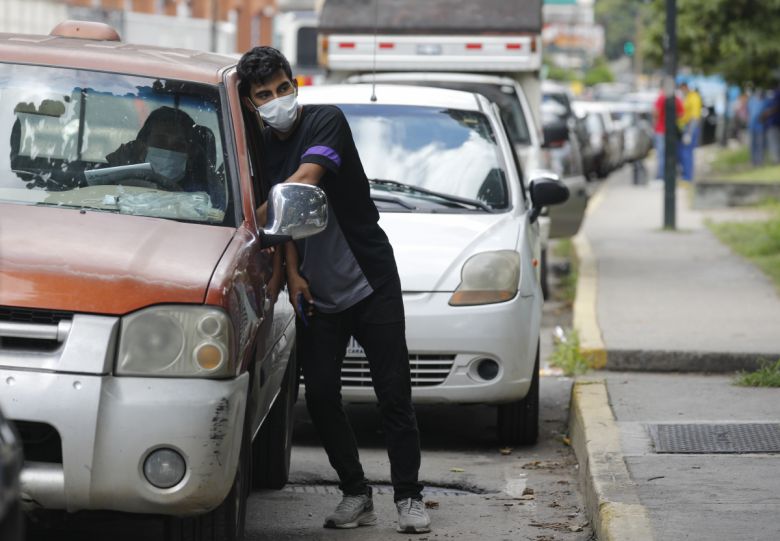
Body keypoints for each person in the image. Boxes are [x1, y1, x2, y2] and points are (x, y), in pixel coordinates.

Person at [237, 46, 431, 535]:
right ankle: (355, 493)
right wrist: (294, 272)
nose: (279, 99)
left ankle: (409, 496)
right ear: (250, 101)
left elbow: (302, 186)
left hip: (371, 281)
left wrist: (242, 226)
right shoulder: (258, 146)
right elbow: (288, 228)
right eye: (264, 94)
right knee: (320, 395)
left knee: (394, 395)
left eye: (284, 88)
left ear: (294, 83)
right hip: (316, 292)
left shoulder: (326, 121)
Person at [103, 106, 225, 208]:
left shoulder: (205, 192)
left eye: (178, 146)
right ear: (142, 147)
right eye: (160, 142)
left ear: (190, 154)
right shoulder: (117, 179)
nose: (168, 152)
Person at [653, 88, 684, 180]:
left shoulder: (661, 97)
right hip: (671, 131)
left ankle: (661, 175)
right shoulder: (676, 99)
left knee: (661, 154)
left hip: (660, 130)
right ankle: (670, 173)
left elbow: (655, 112)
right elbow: (681, 113)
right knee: (671, 154)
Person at [677, 82, 703, 181]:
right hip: (686, 128)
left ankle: (688, 177)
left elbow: (695, 118)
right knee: (683, 152)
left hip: (691, 128)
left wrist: (689, 133)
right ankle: (685, 175)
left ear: (685, 87)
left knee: (687, 153)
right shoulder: (687, 97)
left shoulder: (694, 97)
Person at [747, 89, 767, 166]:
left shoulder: (765, 101)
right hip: (751, 127)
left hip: (761, 127)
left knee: (760, 145)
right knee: (752, 145)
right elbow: (748, 112)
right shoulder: (751, 101)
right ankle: (753, 161)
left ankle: (760, 161)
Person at [761, 85, 780, 164]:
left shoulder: (776, 94)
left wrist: (767, 113)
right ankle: (776, 159)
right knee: (773, 142)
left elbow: (777, 106)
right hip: (771, 123)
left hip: (774, 122)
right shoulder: (772, 94)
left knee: (774, 142)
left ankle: (777, 160)